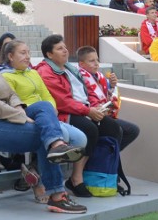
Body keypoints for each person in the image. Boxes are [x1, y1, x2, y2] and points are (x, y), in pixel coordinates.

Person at [0, 32, 87, 213]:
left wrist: (20, 109)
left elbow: (11, 95)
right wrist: (21, 116)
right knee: (42, 133)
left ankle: (57, 144)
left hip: (3, 117)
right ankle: (57, 196)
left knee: (43, 106)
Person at [35, 34, 126, 199]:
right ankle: (76, 178)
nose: (65, 51)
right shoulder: (46, 71)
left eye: (65, 47)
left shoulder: (69, 68)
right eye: (59, 48)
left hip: (82, 108)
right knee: (90, 129)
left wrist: (97, 105)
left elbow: (85, 93)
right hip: (63, 114)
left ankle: (103, 171)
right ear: (49, 54)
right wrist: (88, 111)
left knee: (116, 129)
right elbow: (62, 102)